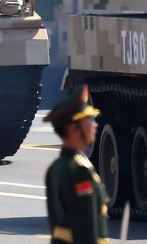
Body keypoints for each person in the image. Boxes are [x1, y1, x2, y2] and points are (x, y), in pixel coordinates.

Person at [44, 85, 108, 244]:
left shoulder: (56, 167)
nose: (95, 124)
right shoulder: (80, 171)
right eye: (89, 120)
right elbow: (85, 229)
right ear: (74, 129)